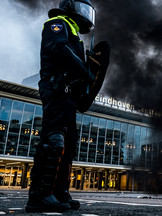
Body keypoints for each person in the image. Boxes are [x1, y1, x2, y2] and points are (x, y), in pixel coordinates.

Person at [26, 0, 110, 213]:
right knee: (53, 140)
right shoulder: (57, 23)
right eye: (83, 9)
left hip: (69, 96)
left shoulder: (73, 33)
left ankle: (60, 192)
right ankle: (40, 195)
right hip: (56, 89)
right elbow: (58, 48)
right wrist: (84, 69)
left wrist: (88, 73)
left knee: (68, 144)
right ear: (71, 7)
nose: (86, 15)